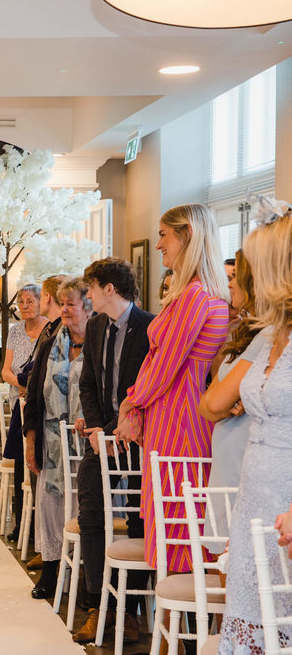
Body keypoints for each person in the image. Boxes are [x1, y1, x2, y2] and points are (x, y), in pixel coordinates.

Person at [115, 203, 228, 575]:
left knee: (179, 519)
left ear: (187, 236)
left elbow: (166, 365)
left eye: (164, 234)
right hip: (173, 414)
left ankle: (181, 623)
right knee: (172, 518)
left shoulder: (195, 295)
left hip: (180, 419)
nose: (159, 244)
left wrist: (132, 401)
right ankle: (174, 623)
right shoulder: (194, 292)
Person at [206, 205, 292, 652]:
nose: (246, 278)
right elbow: (213, 402)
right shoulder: (274, 334)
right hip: (254, 494)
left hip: (286, 499)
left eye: (256, 266)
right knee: (251, 622)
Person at [71, 257, 154, 643]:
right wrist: (95, 429)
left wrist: (121, 429)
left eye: (91, 288)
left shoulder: (151, 326)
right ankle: (94, 604)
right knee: (91, 511)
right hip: (104, 437)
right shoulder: (96, 326)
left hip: (139, 439)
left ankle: (131, 612)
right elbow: (88, 384)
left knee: (139, 520)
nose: (87, 295)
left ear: (109, 289)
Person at [22, 277, 92, 599]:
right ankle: (51, 572)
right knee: (50, 505)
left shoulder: (99, 343)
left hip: (87, 445)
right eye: (61, 303)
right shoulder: (51, 344)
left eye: (70, 304)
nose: (63, 309)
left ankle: (84, 580)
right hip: (52, 448)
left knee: (85, 508)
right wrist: (30, 440)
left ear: (87, 307)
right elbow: (34, 396)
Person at [199, 249, 264, 550]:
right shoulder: (244, 333)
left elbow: (213, 404)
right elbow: (209, 401)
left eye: (236, 277)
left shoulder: (269, 336)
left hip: (241, 460)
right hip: (225, 458)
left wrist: (219, 401)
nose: (230, 285)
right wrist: (222, 399)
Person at [0, 284, 48, 541]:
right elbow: (6, 370)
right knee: (19, 459)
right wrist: (23, 385)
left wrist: (33, 387)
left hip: (39, 400)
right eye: (21, 301)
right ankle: (20, 523)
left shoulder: (50, 328)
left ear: (41, 302)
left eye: (31, 300)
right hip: (18, 398)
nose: (26, 305)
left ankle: (38, 523)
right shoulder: (15, 331)